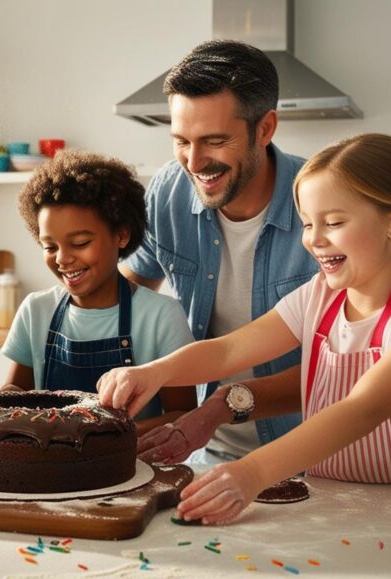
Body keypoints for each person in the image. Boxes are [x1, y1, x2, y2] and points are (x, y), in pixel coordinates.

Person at [99, 133, 391, 524]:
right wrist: (155, 372)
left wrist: (253, 472)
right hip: (324, 503)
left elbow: (362, 409)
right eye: (308, 224)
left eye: (334, 222)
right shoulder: (318, 297)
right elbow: (228, 351)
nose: (313, 240)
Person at [120, 40, 318, 462]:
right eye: (180, 141)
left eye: (214, 140)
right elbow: (127, 295)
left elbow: (346, 365)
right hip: (207, 451)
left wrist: (221, 407)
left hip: (315, 455)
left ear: (265, 129)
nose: (193, 161)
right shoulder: (168, 192)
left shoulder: (322, 204)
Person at [1, 151, 197, 434]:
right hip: (48, 471)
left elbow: (182, 416)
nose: (62, 259)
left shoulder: (161, 316)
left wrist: (104, 439)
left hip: (131, 470)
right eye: (50, 246)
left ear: (121, 235)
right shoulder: (36, 310)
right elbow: (15, 392)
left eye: (80, 243)